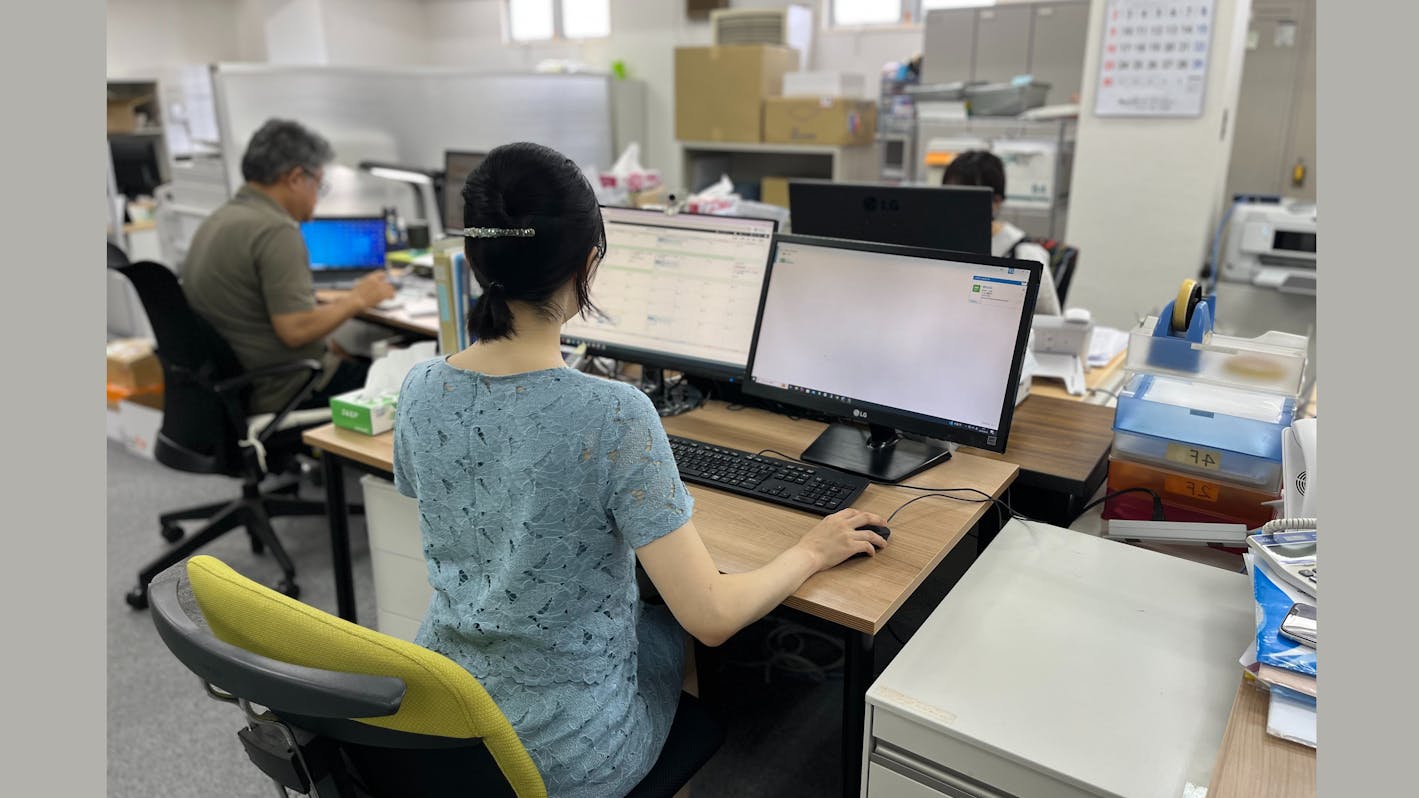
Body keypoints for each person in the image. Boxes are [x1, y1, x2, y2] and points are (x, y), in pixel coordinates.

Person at [392, 142, 888, 797]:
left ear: (476, 258)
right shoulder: (612, 413)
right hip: (563, 756)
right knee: (675, 628)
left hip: (444, 722)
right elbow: (711, 616)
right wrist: (811, 550)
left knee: (648, 605)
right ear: (589, 263)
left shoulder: (421, 386)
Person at [182, 118, 396, 415]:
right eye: (318, 185)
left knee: (359, 361)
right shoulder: (276, 231)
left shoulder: (219, 220)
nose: (317, 197)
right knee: (405, 385)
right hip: (289, 390)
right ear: (295, 178)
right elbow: (295, 330)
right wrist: (358, 298)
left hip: (235, 388)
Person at [942, 150, 1063, 316]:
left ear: (996, 201)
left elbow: (1050, 320)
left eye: (965, 198)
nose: (954, 207)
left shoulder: (1024, 253)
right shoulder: (944, 243)